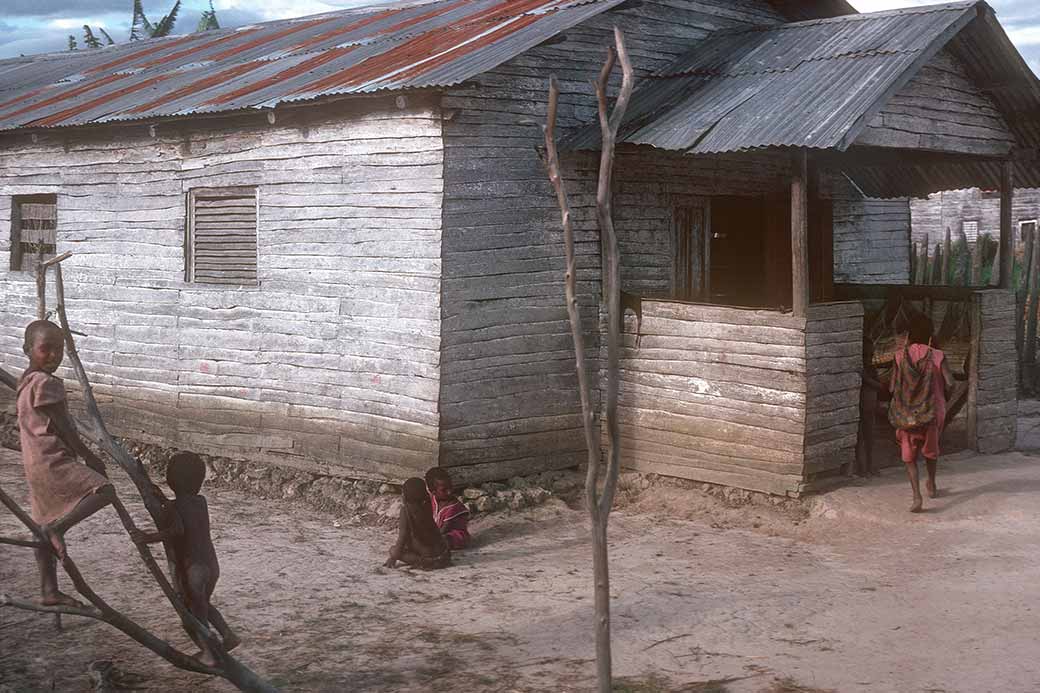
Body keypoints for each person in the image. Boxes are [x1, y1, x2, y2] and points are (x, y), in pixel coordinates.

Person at [17, 320, 116, 606]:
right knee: (105, 491)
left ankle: (49, 590)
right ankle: (59, 529)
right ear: (28, 350)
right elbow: (66, 429)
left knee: (40, 526)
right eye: (45, 349)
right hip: (53, 460)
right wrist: (91, 456)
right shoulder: (47, 384)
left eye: (58, 349)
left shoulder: (26, 382)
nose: (53, 356)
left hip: (34, 464)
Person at [131, 452, 238, 665]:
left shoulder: (175, 507)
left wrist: (147, 537)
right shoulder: (201, 502)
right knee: (203, 604)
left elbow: (177, 529)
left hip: (194, 570)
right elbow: (182, 512)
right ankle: (228, 634)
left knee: (194, 616)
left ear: (171, 480)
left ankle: (208, 652)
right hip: (211, 566)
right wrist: (162, 499)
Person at [889, 316, 954, 513]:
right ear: (929, 334)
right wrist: (943, 397)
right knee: (931, 451)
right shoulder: (938, 355)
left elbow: (892, 387)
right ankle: (932, 484)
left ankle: (917, 497)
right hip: (932, 411)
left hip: (906, 413)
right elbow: (951, 383)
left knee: (909, 455)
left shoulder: (899, 356)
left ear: (908, 335)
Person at [384, 478, 450, 570]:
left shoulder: (406, 511)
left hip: (430, 558)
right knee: (417, 542)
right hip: (444, 556)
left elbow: (402, 537)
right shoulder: (427, 504)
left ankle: (422, 562)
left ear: (406, 495)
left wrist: (394, 557)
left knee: (392, 550)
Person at [855, 337, 884, 478]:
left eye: (870, 355)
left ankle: (870, 466)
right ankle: (862, 468)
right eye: (865, 355)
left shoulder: (870, 370)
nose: (868, 358)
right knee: (859, 438)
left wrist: (866, 379)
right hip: (859, 409)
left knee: (869, 438)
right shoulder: (859, 371)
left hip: (870, 409)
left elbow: (880, 386)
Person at [425, 467, 470, 550]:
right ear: (432, 491)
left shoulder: (453, 506)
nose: (449, 492)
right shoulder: (432, 500)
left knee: (444, 540)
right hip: (438, 532)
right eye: (444, 490)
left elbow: (444, 529)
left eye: (450, 487)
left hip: (454, 535)